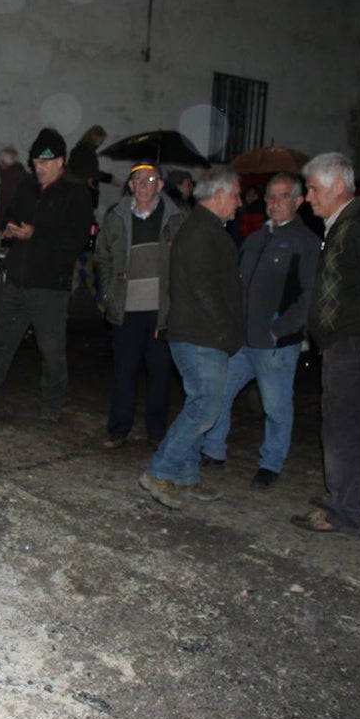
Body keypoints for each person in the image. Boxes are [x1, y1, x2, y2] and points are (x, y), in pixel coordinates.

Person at [290, 152, 360, 534]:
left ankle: (344, 511)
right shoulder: (341, 226)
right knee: (338, 421)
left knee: (347, 426)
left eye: (314, 189)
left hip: (356, 343)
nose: (308, 197)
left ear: (339, 186)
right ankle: (342, 496)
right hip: (343, 342)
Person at [0, 128, 93, 419]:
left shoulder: (76, 193)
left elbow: (76, 239)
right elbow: (12, 213)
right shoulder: (27, 187)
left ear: (61, 161)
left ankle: (51, 406)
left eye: (46, 163)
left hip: (50, 286)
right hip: (18, 280)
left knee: (51, 350)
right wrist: (11, 229)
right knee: (0, 340)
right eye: (36, 162)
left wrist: (35, 234)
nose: (39, 168)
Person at [199, 173, 320, 487]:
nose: (275, 203)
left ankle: (271, 463)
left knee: (276, 405)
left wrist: (281, 329)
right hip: (243, 340)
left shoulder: (304, 242)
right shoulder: (254, 239)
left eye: (283, 196)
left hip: (275, 344)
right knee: (219, 391)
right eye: (270, 196)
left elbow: (309, 295)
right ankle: (213, 450)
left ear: (298, 201)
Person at [138, 169, 244, 510]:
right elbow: (204, 288)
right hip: (201, 335)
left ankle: (184, 476)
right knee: (205, 408)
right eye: (237, 196)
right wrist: (227, 329)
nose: (240, 203)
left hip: (203, 334)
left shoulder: (206, 229)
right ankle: (161, 469)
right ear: (220, 195)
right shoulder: (201, 232)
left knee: (200, 404)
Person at [94, 163, 185, 449]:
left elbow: (185, 260)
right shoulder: (116, 216)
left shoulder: (176, 217)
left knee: (159, 373)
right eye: (138, 180)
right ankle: (118, 429)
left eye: (150, 179)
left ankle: (156, 433)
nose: (143, 184)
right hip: (126, 308)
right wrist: (109, 293)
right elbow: (104, 258)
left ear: (160, 185)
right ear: (130, 186)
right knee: (124, 371)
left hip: (161, 309)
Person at [67, 124, 114, 210]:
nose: (101, 144)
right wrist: (109, 178)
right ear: (94, 137)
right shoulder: (87, 152)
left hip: (79, 194)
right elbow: (91, 173)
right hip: (84, 195)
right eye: (101, 141)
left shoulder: (80, 150)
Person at [0, 145, 29, 236]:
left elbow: (3, 209)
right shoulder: (29, 178)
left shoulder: (6, 184)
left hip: (13, 231)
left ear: (3, 164)